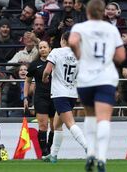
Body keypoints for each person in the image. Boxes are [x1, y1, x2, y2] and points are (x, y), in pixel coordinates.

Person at [68, 0, 126, 171]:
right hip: (105, 77)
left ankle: (90, 152)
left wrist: (79, 55)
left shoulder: (80, 28)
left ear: (87, 12)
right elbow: (121, 56)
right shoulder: (111, 29)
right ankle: (101, 157)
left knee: (90, 115)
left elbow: (72, 42)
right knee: (103, 118)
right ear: (102, 12)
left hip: (86, 78)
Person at [42, 32, 87, 163]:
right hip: (72, 93)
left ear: (63, 40)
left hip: (59, 93)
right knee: (56, 125)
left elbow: (47, 70)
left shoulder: (56, 52)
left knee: (70, 123)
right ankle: (53, 155)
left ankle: (88, 147)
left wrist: (45, 78)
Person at [24, 40, 55, 159]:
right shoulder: (34, 64)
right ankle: (44, 152)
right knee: (42, 125)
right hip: (40, 97)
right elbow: (27, 81)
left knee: (54, 126)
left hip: (55, 96)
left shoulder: (55, 63)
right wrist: (26, 97)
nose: (42, 49)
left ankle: (49, 147)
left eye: (45, 47)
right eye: (40, 47)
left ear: (50, 49)